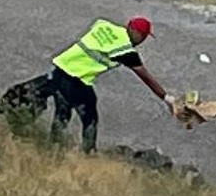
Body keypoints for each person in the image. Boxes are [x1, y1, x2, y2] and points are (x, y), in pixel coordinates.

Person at [48, 16, 176, 153]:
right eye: (143, 36)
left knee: (62, 111)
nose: (142, 40)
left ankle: (52, 147)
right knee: (89, 118)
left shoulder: (105, 25)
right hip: (76, 79)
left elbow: (97, 26)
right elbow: (146, 78)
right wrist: (167, 98)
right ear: (136, 33)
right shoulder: (125, 50)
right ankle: (88, 153)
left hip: (59, 69)